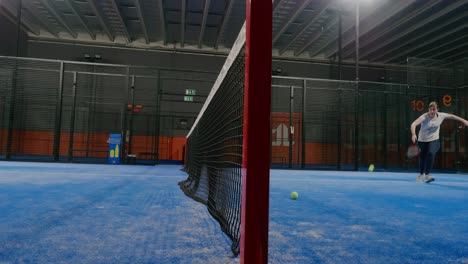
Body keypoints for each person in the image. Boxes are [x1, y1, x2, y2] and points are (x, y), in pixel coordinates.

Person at [410, 101, 468, 183]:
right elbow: (413, 124)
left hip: (434, 139)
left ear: (437, 110)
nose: (432, 111)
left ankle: (427, 175)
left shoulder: (441, 115)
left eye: (434, 109)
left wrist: (464, 121)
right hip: (422, 140)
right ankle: (421, 174)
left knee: (431, 153)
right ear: (428, 110)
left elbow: (452, 116)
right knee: (422, 157)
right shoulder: (424, 117)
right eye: (431, 109)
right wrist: (413, 134)